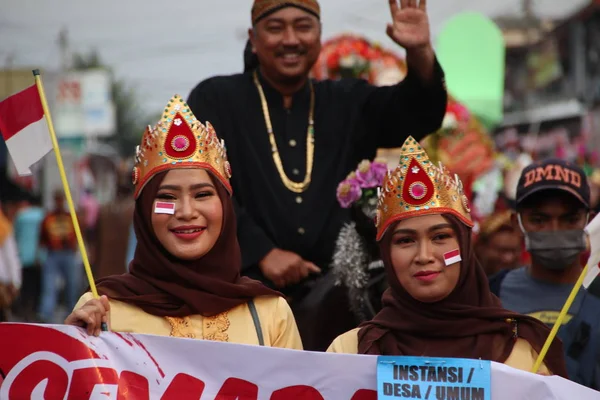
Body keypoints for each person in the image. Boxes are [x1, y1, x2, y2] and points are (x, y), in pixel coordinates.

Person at [187, 0, 447, 351]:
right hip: (238, 295)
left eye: (303, 27)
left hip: (337, 304)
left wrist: (419, 52)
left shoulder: (346, 99)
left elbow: (417, 114)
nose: (291, 39)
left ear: (320, 35)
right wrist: (261, 251)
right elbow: (201, 184)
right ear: (253, 37)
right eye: (276, 27)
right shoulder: (215, 99)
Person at [64, 95, 302, 349]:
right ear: (144, 212)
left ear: (225, 205)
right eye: (166, 197)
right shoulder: (102, 311)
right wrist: (69, 344)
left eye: (202, 195)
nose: (186, 211)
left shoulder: (270, 314)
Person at [327, 137, 568, 378]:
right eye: (405, 241)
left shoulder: (524, 353)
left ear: (464, 246)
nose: (424, 256)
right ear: (387, 255)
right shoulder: (351, 353)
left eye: (440, 237)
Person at [490, 159, 600, 388]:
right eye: (539, 219)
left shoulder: (596, 293)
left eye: (569, 219)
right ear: (516, 222)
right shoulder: (490, 294)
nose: (555, 230)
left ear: (588, 220)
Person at [38, 189, 79, 323]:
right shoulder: (49, 218)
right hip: (53, 254)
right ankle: (46, 313)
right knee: (49, 285)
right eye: (57, 199)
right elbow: (42, 237)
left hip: (68, 254)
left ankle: (72, 312)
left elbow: (78, 233)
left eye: (61, 199)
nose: (59, 202)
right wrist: (40, 254)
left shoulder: (70, 216)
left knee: (72, 284)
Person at [12, 193, 45, 321]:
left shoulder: (21, 216)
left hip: (23, 256)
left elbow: (16, 234)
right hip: (38, 257)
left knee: (25, 284)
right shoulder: (43, 215)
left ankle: (24, 309)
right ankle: (34, 310)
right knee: (37, 285)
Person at [474, 210, 522, 277]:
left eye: (514, 251)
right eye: (502, 251)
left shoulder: (527, 284)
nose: (508, 259)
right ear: (481, 247)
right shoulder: (461, 281)